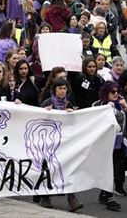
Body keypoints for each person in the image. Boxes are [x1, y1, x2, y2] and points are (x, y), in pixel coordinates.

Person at [38, 78, 83, 211]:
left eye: (64, 88)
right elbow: (39, 120)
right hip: (49, 141)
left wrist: (72, 113)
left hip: (65, 140)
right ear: (54, 90)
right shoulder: (47, 103)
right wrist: (46, 112)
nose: (63, 91)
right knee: (48, 168)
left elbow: (76, 120)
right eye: (60, 88)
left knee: (67, 168)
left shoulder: (69, 103)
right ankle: (45, 197)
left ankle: (72, 198)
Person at [91, 81, 127, 210]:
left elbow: (124, 121)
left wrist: (126, 108)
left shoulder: (120, 105)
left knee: (115, 169)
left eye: (117, 91)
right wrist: (107, 110)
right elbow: (93, 121)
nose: (116, 94)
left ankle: (104, 193)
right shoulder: (98, 105)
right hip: (104, 143)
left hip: (118, 142)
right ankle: (109, 197)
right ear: (106, 92)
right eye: (113, 92)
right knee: (107, 169)